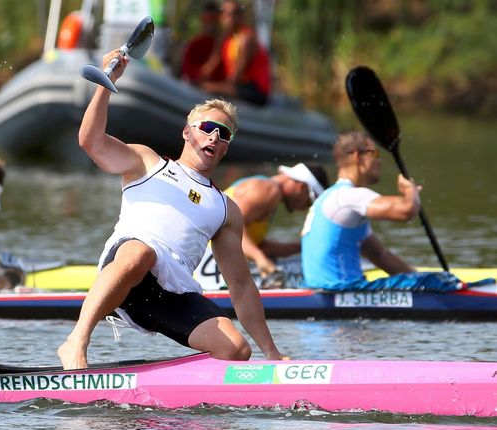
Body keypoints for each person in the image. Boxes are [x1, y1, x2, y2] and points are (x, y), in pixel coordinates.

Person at [58, 47, 286, 370]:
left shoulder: (226, 209)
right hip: (128, 271)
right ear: (187, 131)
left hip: (169, 296)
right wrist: (105, 83)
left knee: (237, 350)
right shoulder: (146, 162)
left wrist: (272, 353)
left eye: (225, 135)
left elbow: (241, 285)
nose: (215, 138)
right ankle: (76, 342)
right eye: (208, 128)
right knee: (142, 253)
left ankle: (172, 385)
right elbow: (91, 142)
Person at [301, 131, 462, 292]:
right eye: (375, 153)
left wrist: (417, 280)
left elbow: (379, 256)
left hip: (323, 290)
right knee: (441, 281)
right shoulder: (348, 196)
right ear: (357, 157)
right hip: (340, 290)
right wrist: (410, 191)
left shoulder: (329, 197)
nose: (380, 161)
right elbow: (407, 210)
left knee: (428, 281)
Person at [224, 163, 329, 279]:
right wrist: (260, 259)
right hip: (212, 261)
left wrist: (302, 247)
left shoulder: (270, 194)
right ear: (302, 187)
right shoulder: (269, 189)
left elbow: (255, 246)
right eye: (309, 202)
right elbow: (229, 226)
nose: (305, 209)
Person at [198, 0, 272, 106]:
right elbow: (211, 65)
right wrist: (201, 76)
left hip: (254, 90)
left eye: (235, 14)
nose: (230, 19)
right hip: (240, 86)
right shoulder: (226, 39)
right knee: (205, 85)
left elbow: (235, 77)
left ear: (240, 16)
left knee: (210, 88)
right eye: (225, 14)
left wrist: (212, 86)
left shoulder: (246, 38)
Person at [179, 2, 225, 84]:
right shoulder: (194, 45)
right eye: (207, 19)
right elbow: (188, 73)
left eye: (213, 19)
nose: (210, 23)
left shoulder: (227, 43)